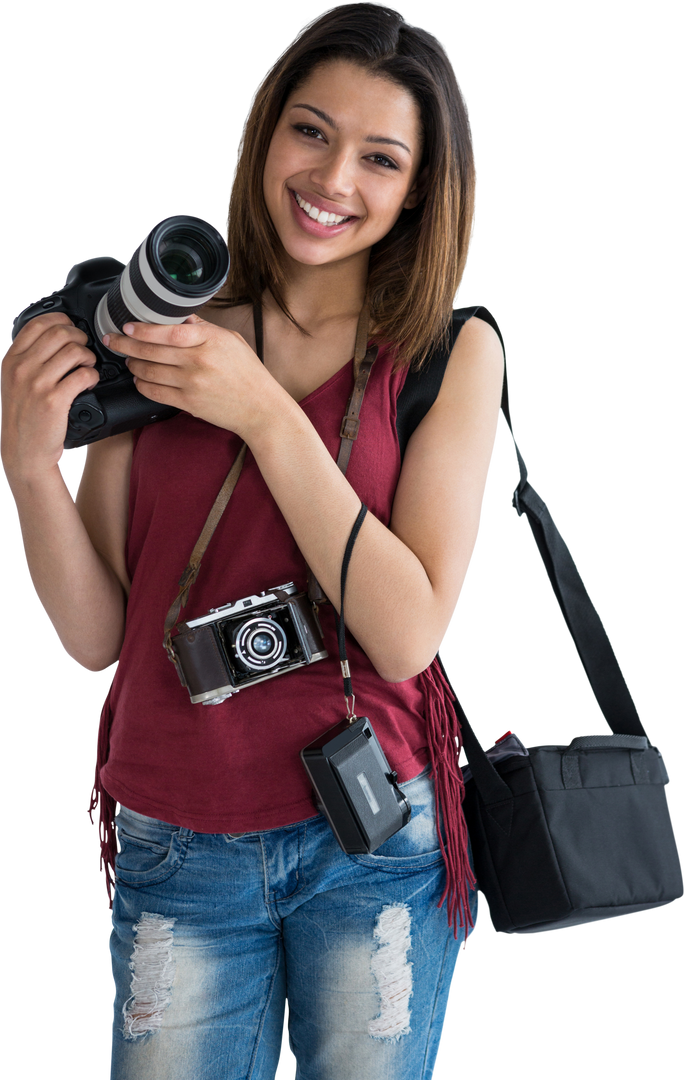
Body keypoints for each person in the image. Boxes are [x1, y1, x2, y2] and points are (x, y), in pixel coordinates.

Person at [0, 4, 504, 1077]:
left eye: (380, 157)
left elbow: (407, 631)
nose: (332, 179)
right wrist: (26, 466)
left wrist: (265, 412)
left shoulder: (450, 354)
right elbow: (97, 636)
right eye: (310, 132)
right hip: (175, 831)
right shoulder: (159, 325)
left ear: (419, 189)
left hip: (372, 838)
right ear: (266, 131)